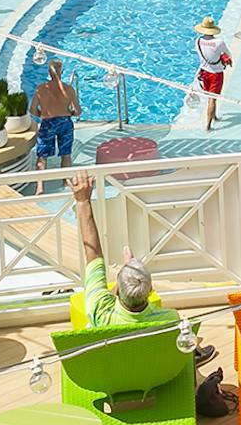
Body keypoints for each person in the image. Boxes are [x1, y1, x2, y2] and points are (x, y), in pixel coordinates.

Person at [65, 172, 184, 332]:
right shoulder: (169, 319)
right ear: (150, 290)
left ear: (118, 290)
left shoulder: (100, 313)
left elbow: (93, 257)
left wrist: (83, 201)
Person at [31, 59, 80, 174]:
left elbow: (32, 109)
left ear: (49, 72)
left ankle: (40, 187)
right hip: (65, 123)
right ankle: (65, 181)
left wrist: (43, 115)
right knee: (66, 154)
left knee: (42, 156)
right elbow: (78, 111)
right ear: (61, 72)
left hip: (47, 122)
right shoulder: (69, 89)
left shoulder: (41, 89)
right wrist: (69, 114)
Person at [192, 16, 232, 129]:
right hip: (216, 74)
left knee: (211, 97)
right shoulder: (219, 42)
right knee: (212, 99)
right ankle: (208, 126)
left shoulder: (198, 41)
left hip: (204, 72)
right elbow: (228, 54)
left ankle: (214, 116)